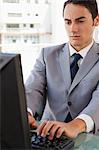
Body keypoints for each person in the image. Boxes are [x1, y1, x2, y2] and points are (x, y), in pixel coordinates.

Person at [25, 0, 99, 140]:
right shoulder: (47, 55)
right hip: (46, 134)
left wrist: (76, 125)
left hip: (89, 139)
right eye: (68, 22)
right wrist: (25, 112)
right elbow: (33, 89)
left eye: (80, 21)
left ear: (96, 21)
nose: (73, 29)